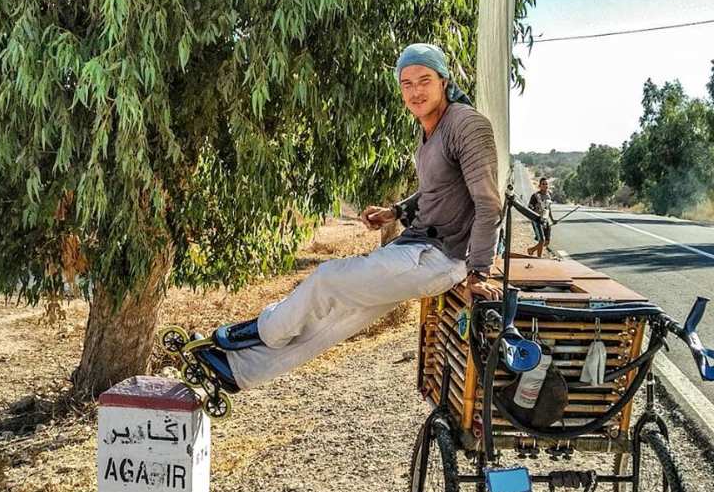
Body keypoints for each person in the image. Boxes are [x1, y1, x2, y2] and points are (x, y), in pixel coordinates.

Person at [194, 42, 504, 392]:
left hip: (440, 257)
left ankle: (263, 330)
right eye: (407, 84)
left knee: (327, 279)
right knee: (340, 320)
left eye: (424, 81)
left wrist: (479, 273)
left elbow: (488, 203)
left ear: (444, 82)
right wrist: (395, 211)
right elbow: (438, 189)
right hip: (419, 247)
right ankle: (238, 371)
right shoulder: (431, 128)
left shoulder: (467, 125)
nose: (416, 91)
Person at [526, 177, 556, 258]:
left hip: (545, 220)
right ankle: (539, 258)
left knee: (547, 242)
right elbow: (529, 208)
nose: (545, 185)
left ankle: (531, 250)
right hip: (537, 220)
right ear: (539, 186)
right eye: (543, 184)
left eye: (546, 184)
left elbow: (548, 209)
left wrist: (552, 219)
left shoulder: (548, 196)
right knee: (541, 240)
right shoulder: (535, 196)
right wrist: (536, 213)